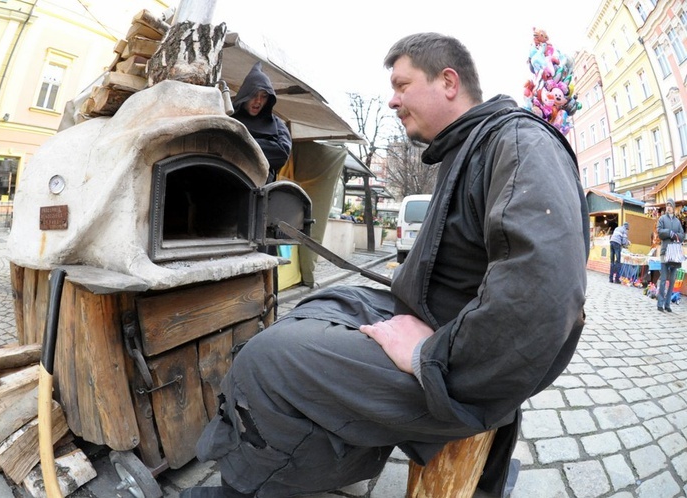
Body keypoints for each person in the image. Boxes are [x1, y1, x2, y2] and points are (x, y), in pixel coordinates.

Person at [182, 33, 588, 498]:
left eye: (402, 84)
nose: (392, 100)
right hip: (437, 325)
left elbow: (543, 297)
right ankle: (310, 456)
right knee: (315, 308)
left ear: (448, 82)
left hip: (460, 363)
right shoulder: (474, 146)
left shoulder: (518, 141)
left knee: (269, 361)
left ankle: (241, 489)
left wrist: (429, 355)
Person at [231, 61, 292, 184]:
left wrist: (240, 143)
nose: (258, 101)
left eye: (264, 96)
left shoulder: (277, 124)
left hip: (259, 190)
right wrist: (265, 145)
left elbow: (281, 154)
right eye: (254, 95)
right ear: (245, 95)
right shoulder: (230, 119)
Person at [656, 198, 684, 312]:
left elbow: (682, 235)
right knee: (663, 280)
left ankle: (667, 305)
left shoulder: (678, 222)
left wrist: (675, 235)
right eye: (667, 205)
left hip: (675, 255)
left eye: (670, 205)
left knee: (672, 280)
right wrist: (669, 232)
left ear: (673, 207)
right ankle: (660, 304)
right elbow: (659, 232)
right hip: (664, 253)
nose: (668, 207)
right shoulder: (662, 219)